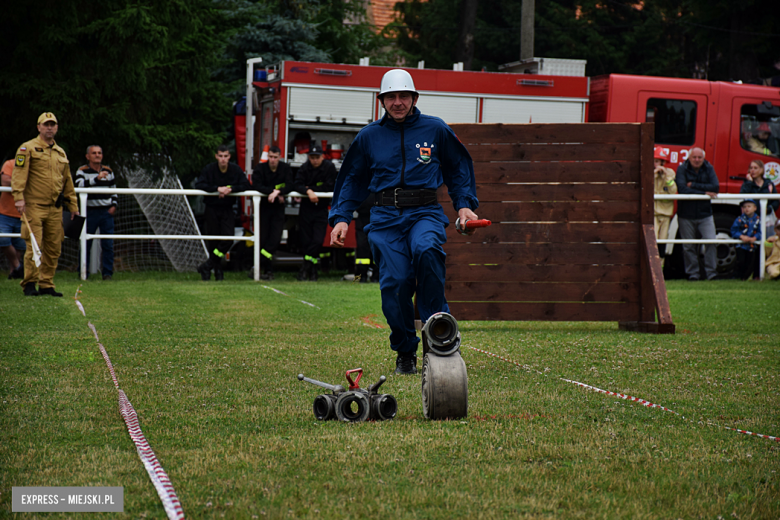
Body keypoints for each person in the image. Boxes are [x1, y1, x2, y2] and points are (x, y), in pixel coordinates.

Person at [329, 69, 479, 375]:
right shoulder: (369, 137)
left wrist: (465, 206)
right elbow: (352, 180)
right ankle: (405, 351)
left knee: (427, 251)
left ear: (414, 98)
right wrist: (341, 217)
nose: (398, 102)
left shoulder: (435, 129)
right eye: (391, 97)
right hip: (383, 218)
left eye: (404, 96)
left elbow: (458, 168)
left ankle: (439, 338)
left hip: (424, 212)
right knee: (395, 284)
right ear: (382, 101)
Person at [11, 112, 80, 296]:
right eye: (46, 124)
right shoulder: (28, 149)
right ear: (39, 127)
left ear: (56, 128)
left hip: (55, 208)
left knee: (54, 246)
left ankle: (46, 283)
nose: (49, 128)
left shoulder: (60, 152)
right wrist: (18, 197)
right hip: (34, 205)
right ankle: (30, 283)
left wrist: (73, 205)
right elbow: (18, 175)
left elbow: (67, 181)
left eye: (53, 125)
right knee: (34, 245)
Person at [194, 145, 250, 281]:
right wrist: (217, 189)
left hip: (227, 209)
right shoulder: (209, 169)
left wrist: (230, 189)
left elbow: (246, 185)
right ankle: (217, 272)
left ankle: (207, 265)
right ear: (216, 156)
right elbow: (199, 184)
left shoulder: (235, 170)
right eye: (220, 156)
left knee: (228, 239)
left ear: (229, 157)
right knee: (214, 241)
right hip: (212, 208)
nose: (223, 159)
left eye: (225, 156)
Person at [293, 144, 337, 281]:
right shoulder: (304, 168)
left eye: (317, 157)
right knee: (306, 242)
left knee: (317, 241)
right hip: (306, 209)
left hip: (321, 209)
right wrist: (308, 191)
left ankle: (305, 267)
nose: (315, 160)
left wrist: (310, 188)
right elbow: (297, 184)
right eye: (312, 157)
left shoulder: (329, 168)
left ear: (322, 156)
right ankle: (312, 271)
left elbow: (330, 186)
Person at [675, 147, 719, 281]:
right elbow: (682, 189)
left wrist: (693, 185)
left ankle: (711, 274)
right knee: (688, 246)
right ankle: (693, 274)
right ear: (689, 157)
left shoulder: (709, 168)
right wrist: (704, 193)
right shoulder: (682, 169)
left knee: (711, 242)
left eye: (699, 157)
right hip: (685, 214)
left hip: (705, 214)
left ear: (703, 158)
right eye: (694, 157)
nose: (697, 160)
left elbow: (715, 187)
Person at [74, 145, 117, 280]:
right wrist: (96, 179)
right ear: (88, 156)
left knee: (108, 244)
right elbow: (79, 186)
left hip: (106, 212)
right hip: (89, 212)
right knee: (85, 244)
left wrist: (113, 205)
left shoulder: (109, 171)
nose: (97, 155)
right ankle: (83, 272)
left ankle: (107, 274)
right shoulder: (82, 171)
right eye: (94, 153)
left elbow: (114, 189)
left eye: (99, 153)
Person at [251, 145, 293, 280]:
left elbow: (290, 184)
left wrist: (278, 192)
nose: (273, 160)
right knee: (263, 240)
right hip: (264, 208)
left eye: (275, 157)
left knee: (274, 240)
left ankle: (258, 264)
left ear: (279, 157)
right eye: (270, 157)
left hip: (278, 210)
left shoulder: (285, 169)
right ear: (267, 156)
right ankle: (267, 270)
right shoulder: (260, 169)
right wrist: (271, 192)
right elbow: (256, 185)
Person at [1, 159, 26, 279]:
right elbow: (5, 182)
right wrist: (25, 184)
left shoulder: (37, 164)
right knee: (3, 240)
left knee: (20, 245)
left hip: (25, 213)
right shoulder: (10, 163)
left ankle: (14, 272)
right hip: (5, 211)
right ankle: (18, 266)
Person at [740, 159, 779, 236]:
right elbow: (742, 195)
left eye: (755, 168)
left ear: (761, 170)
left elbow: (776, 201)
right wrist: (749, 182)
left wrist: (769, 209)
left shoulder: (769, 184)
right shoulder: (747, 184)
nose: (752, 170)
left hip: (767, 219)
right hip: (751, 219)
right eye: (751, 168)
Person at [653, 145, 677, 260]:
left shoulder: (670, 173)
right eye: (655, 161)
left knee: (662, 243)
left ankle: (661, 271)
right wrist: (654, 174)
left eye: (659, 161)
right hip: (652, 212)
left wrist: (667, 178)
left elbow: (673, 190)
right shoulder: (649, 173)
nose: (657, 164)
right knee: (653, 240)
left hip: (666, 212)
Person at [730, 199, 762, 280]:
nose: (746, 209)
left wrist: (755, 237)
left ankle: (745, 277)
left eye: (749, 206)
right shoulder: (739, 219)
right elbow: (733, 230)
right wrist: (741, 236)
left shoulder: (758, 220)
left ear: (755, 208)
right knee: (740, 261)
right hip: (741, 245)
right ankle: (736, 277)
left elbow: (760, 231)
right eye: (744, 207)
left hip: (752, 246)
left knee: (750, 263)